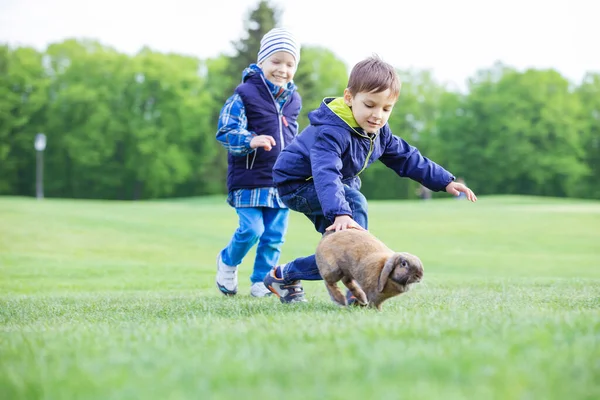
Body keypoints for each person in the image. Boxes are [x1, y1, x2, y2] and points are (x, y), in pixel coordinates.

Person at [263, 55, 477, 303]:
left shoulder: (378, 133)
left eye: (386, 109)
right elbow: (326, 172)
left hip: (334, 186)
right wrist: (340, 213)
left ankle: (284, 275)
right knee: (355, 217)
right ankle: (360, 287)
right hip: (298, 184)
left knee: (341, 251)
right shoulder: (331, 130)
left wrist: (444, 181)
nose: (377, 115)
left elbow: (407, 157)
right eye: (370, 105)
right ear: (349, 98)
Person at [215, 28, 302, 298]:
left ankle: (261, 281)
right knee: (252, 229)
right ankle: (228, 263)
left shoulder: (293, 100)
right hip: (249, 179)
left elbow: (293, 137)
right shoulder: (244, 95)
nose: (282, 70)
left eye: (289, 64)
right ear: (261, 62)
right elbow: (226, 131)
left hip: (281, 181)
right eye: (276, 61)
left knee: (274, 235)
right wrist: (250, 140)